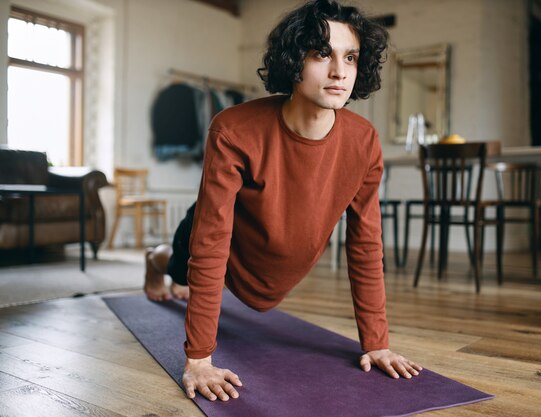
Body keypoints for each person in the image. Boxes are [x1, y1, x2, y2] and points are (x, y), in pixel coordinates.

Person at [144, 0, 422, 402]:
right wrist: (199, 358)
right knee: (179, 269)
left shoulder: (364, 142)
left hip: (279, 255)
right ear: (294, 60)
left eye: (351, 57)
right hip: (222, 240)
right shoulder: (234, 128)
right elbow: (211, 242)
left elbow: (365, 245)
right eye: (321, 53)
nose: (339, 71)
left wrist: (376, 342)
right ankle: (155, 259)